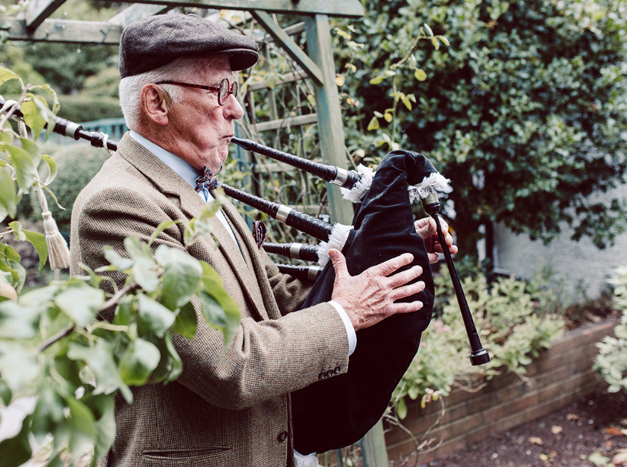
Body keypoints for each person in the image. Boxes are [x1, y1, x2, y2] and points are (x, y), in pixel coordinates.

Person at [70, 13, 456, 467]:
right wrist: (347, 313)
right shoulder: (117, 206)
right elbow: (229, 366)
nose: (236, 109)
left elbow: (275, 299)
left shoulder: (200, 187)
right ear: (157, 104)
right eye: (221, 91)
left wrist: (383, 255)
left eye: (237, 91)